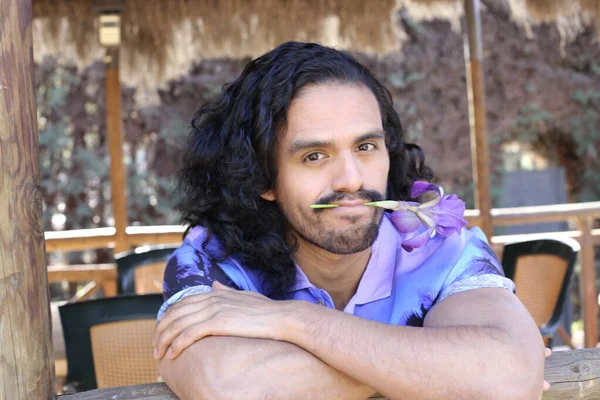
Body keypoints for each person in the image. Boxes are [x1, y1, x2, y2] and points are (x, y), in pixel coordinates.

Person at [153, 41, 546, 400]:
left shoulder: (442, 246)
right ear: (263, 177)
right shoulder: (210, 265)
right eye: (314, 156)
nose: (352, 179)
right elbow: (232, 389)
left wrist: (295, 320)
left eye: (366, 146)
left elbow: (508, 376)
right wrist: (446, 366)